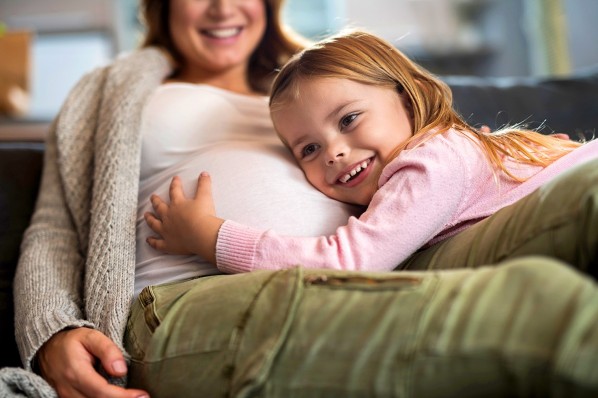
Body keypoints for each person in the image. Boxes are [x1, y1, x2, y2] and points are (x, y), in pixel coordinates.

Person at [8, 3, 598, 398]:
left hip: (391, 264)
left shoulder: (326, 72)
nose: (219, 6)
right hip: (184, 292)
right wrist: (52, 331)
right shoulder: (112, 86)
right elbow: (55, 227)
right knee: (537, 307)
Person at [144, 29, 598, 275]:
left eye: (348, 120)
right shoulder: (450, 156)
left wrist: (213, 238)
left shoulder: (432, 162)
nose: (334, 153)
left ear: (408, 96)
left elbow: (348, 263)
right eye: (308, 148)